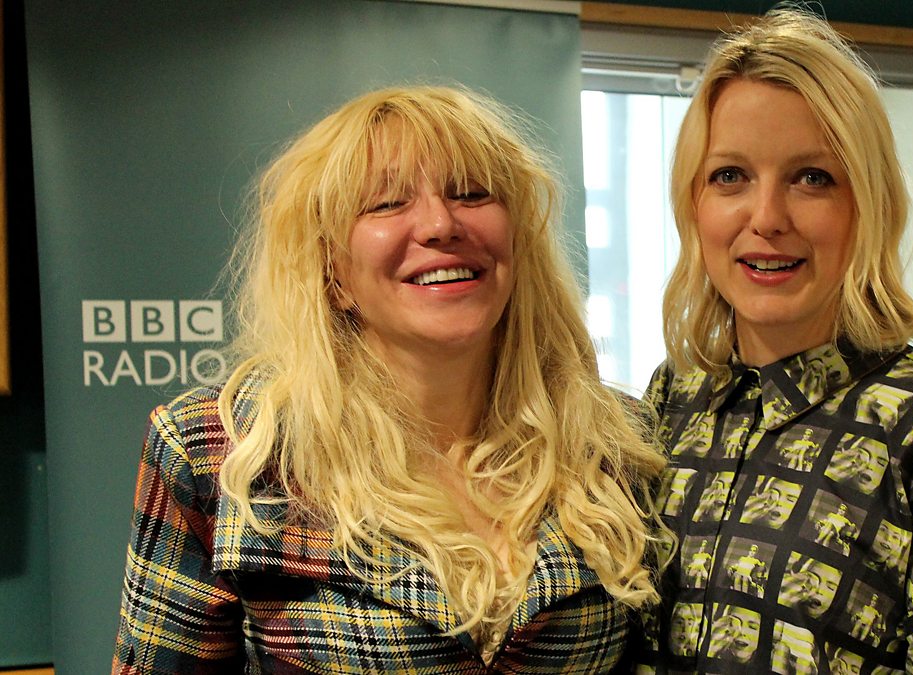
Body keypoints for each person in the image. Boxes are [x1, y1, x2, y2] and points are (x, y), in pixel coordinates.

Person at [112, 85, 667, 673]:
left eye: (471, 193)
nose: (440, 224)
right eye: (385, 203)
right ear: (333, 273)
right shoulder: (216, 449)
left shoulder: (614, 441)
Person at [637, 6, 913, 673]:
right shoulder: (671, 399)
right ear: (693, 204)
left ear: (866, 205)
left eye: (811, 178)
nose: (767, 217)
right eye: (730, 176)